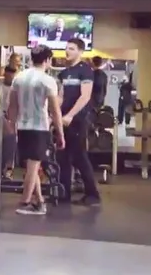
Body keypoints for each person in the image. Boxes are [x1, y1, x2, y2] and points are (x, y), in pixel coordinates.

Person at [7, 46, 65, 213]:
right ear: (47, 60)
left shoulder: (19, 78)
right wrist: (60, 134)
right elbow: (55, 111)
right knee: (33, 167)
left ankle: (39, 202)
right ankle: (25, 202)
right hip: (39, 129)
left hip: (23, 127)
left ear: (32, 58)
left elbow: (12, 106)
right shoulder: (48, 80)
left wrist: (11, 124)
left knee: (31, 166)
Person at [58, 39, 101, 206]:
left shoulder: (85, 70)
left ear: (80, 52)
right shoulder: (64, 73)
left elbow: (85, 96)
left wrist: (70, 115)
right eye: (67, 48)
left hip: (78, 120)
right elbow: (60, 97)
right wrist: (54, 116)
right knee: (62, 157)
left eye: (72, 48)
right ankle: (64, 193)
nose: (67, 51)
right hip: (64, 120)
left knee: (79, 157)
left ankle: (93, 194)